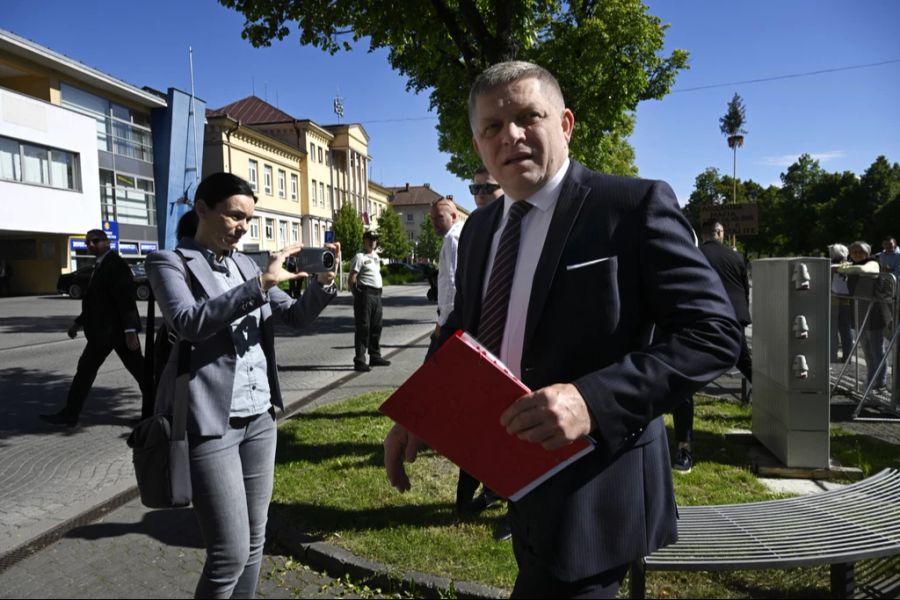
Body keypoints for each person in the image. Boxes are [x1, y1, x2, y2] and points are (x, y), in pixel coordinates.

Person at [383, 61, 741, 598]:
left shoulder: (631, 207)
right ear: (478, 147)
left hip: (598, 489)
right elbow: (463, 329)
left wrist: (592, 400)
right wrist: (425, 411)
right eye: (492, 128)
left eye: (530, 116)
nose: (512, 136)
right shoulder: (480, 228)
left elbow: (714, 333)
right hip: (514, 471)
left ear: (566, 124)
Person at [146, 172, 338, 598]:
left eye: (249, 220)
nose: (243, 228)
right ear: (202, 209)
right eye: (234, 216)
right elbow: (187, 322)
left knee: (254, 544)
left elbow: (294, 317)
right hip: (211, 422)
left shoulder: (244, 263)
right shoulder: (168, 262)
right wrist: (260, 284)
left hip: (260, 418)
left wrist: (323, 285)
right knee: (228, 554)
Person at [41, 229, 150, 426]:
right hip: (102, 334)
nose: (91, 244)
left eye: (96, 241)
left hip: (117, 333)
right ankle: (70, 414)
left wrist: (130, 331)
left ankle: (154, 414)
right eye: (88, 242)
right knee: (85, 372)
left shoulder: (115, 265)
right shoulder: (100, 266)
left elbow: (126, 300)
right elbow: (96, 302)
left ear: (107, 242)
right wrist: (78, 322)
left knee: (141, 373)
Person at [839, 241, 888, 390]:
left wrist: (844, 268)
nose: (857, 254)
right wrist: (844, 267)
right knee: (866, 348)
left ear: (867, 253)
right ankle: (871, 377)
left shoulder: (873, 263)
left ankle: (880, 381)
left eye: (860, 251)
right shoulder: (850, 264)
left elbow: (862, 269)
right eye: (853, 252)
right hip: (858, 311)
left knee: (876, 348)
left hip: (874, 311)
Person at [349, 230, 390, 372]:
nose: (372, 242)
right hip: (365, 294)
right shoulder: (359, 257)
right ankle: (360, 360)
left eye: (375, 239)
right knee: (363, 327)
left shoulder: (376, 257)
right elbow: (352, 278)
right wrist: (357, 294)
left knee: (376, 326)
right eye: (370, 239)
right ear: (364, 240)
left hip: (377, 295)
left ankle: (375, 355)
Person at [829, 243, 854, 363]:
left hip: (832, 299)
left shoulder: (830, 266)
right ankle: (847, 356)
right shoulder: (850, 265)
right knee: (846, 330)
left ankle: (832, 355)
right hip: (847, 300)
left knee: (832, 330)